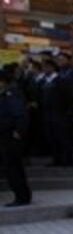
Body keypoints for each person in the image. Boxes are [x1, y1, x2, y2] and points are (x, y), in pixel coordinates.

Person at [0, 67, 32, 207]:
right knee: (10, 167)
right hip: (4, 135)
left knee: (13, 167)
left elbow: (20, 115)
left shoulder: (10, 95)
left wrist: (18, 131)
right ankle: (21, 195)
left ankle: (22, 196)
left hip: (10, 136)